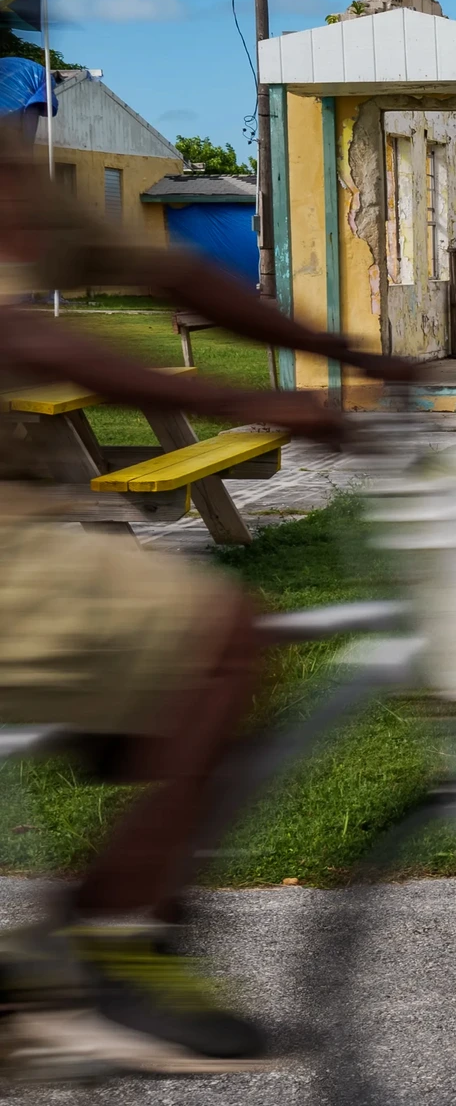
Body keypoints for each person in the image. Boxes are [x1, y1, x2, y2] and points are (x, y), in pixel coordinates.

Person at [0, 70, 411, 1075]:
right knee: (224, 643)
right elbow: (27, 335)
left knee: (185, 690)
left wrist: (332, 348)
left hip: (27, 513)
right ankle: (107, 961)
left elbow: (176, 281)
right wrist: (264, 404)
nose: (31, 121)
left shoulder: (22, 186)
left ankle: (74, 951)